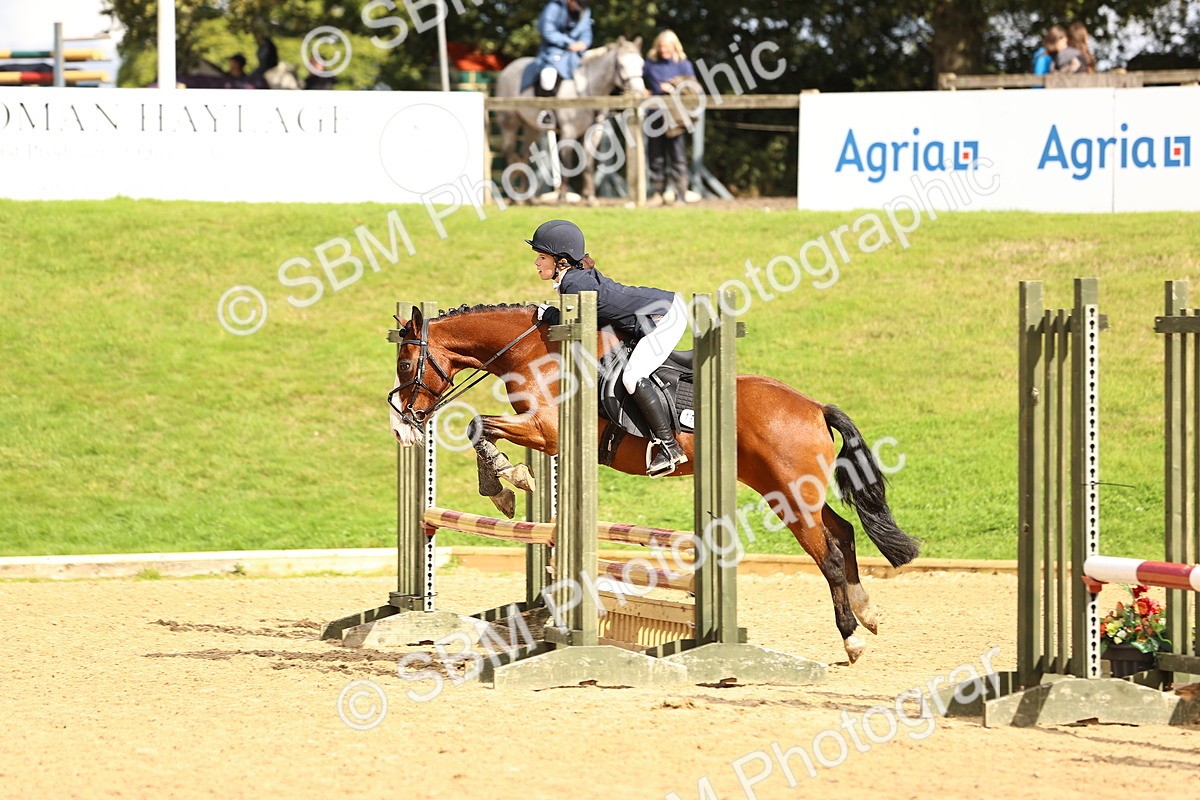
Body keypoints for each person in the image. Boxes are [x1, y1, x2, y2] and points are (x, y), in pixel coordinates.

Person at [529, 219, 689, 476]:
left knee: (633, 377)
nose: (537, 263)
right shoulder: (575, 279)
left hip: (665, 316)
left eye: (541, 257)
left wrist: (550, 315)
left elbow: (581, 323)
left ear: (561, 260)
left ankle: (669, 447)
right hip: (656, 311)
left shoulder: (575, 283)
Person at [643, 30, 699, 206]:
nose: (662, 50)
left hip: (675, 117)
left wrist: (674, 87)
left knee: (678, 157)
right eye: (660, 46)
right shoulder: (650, 64)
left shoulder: (683, 65)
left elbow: (693, 89)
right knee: (655, 157)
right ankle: (657, 194)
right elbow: (642, 84)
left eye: (666, 46)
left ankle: (680, 195)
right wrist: (646, 92)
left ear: (674, 46)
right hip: (654, 116)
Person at [530, 0, 593, 128]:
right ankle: (547, 112)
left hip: (576, 54)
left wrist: (584, 43)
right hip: (554, 51)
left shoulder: (585, 11)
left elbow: (587, 33)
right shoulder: (554, 7)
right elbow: (547, 31)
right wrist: (569, 43)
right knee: (549, 75)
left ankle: (594, 112)